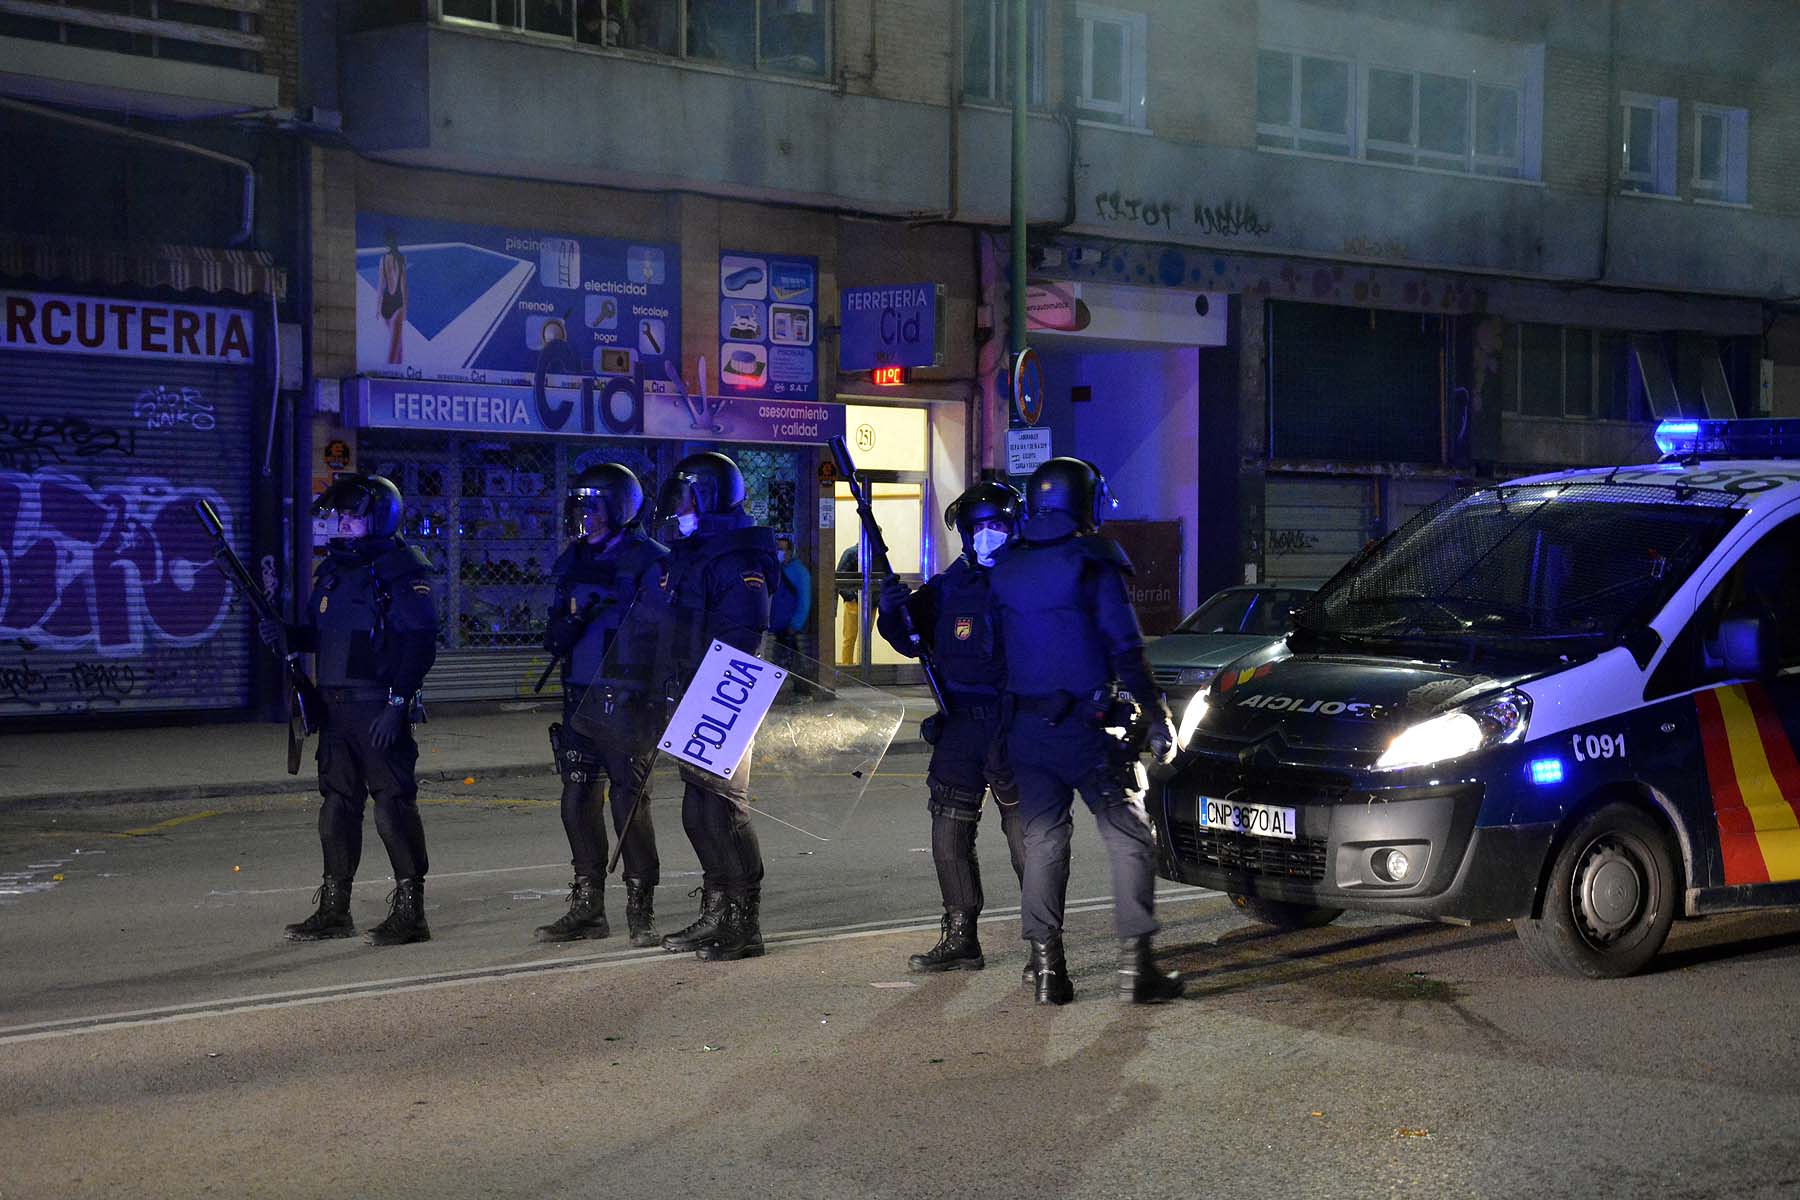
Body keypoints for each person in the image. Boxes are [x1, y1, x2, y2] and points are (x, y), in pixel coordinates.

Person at [987, 458, 1184, 1005]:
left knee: (1044, 842)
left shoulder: (1006, 567)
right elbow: (1125, 648)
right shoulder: (1092, 562)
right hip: (1090, 729)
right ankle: (1135, 968)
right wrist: (1157, 713)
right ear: (1085, 501)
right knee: (1128, 837)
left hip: (1027, 730)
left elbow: (993, 654)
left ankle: (1047, 970)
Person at [259, 474, 438, 946]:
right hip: (336, 710)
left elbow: (420, 644)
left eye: (353, 514)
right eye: (341, 514)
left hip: (377, 706)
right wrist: (290, 636)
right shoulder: (335, 571)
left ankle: (410, 912)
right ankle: (335, 909)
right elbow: (328, 636)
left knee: (392, 807)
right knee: (337, 807)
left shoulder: (400, 569)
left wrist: (397, 706)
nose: (344, 522)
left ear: (380, 516)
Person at [877, 482, 1031, 974]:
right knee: (948, 834)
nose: (987, 535)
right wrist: (890, 610)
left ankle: (1045, 945)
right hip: (960, 725)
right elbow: (909, 641)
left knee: (1027, 837)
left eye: (997, 526)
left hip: (1016, 727)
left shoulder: (1034, 582)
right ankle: (961, 936)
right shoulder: (948, 587)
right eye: (978, 527)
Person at [650, 451, 780, 962]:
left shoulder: (738, 555)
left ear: (709, 498)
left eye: (687, 498)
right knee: (697, 808)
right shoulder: (694, 553)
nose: (679, 510)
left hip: (726, 692)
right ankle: (717, 909)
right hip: (691, 690)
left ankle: (743, 922)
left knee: (724, 808)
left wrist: (715, 702)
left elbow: (744, 634)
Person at [536, 463, 669, 946]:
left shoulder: (648, 561)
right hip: (578, 695)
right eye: (580, 504)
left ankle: (641, 908)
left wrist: (659, 702)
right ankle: (588, 906)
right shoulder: (573, 560)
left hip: (627, 698)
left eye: (593, 505)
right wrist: (561, 633)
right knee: (576, 799)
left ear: (619, 507)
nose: (584, 514)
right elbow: (553, 628)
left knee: (629, 803)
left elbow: (663, 638)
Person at [768, 535, 812, 657]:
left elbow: (804, 600)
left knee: (788, 660)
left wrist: (795, 624)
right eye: (777, 549)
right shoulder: (777, 569)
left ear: (790, 552)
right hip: (776, 627)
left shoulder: (798, 572)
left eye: (781, 549)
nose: (779, 552)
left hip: (789, 628)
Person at [377, 229, 406, 366]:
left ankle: (398, 374)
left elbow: (381, 285)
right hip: (395, 303)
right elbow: (403, 285)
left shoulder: (383, 259)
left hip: (386, 303)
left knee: (398, 345)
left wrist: (378, 308)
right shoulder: (399, 258)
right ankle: (389, 375)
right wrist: (405, 307)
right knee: (395, 348)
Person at [836, 543, 862, 664]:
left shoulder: (878, 554)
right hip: (855, 602)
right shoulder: (851, 553)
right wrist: (850, 596)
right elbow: (839, 577)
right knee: (850, 637)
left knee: (864, 639)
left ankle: (859, 667)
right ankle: (847, 668)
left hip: (871, 602)